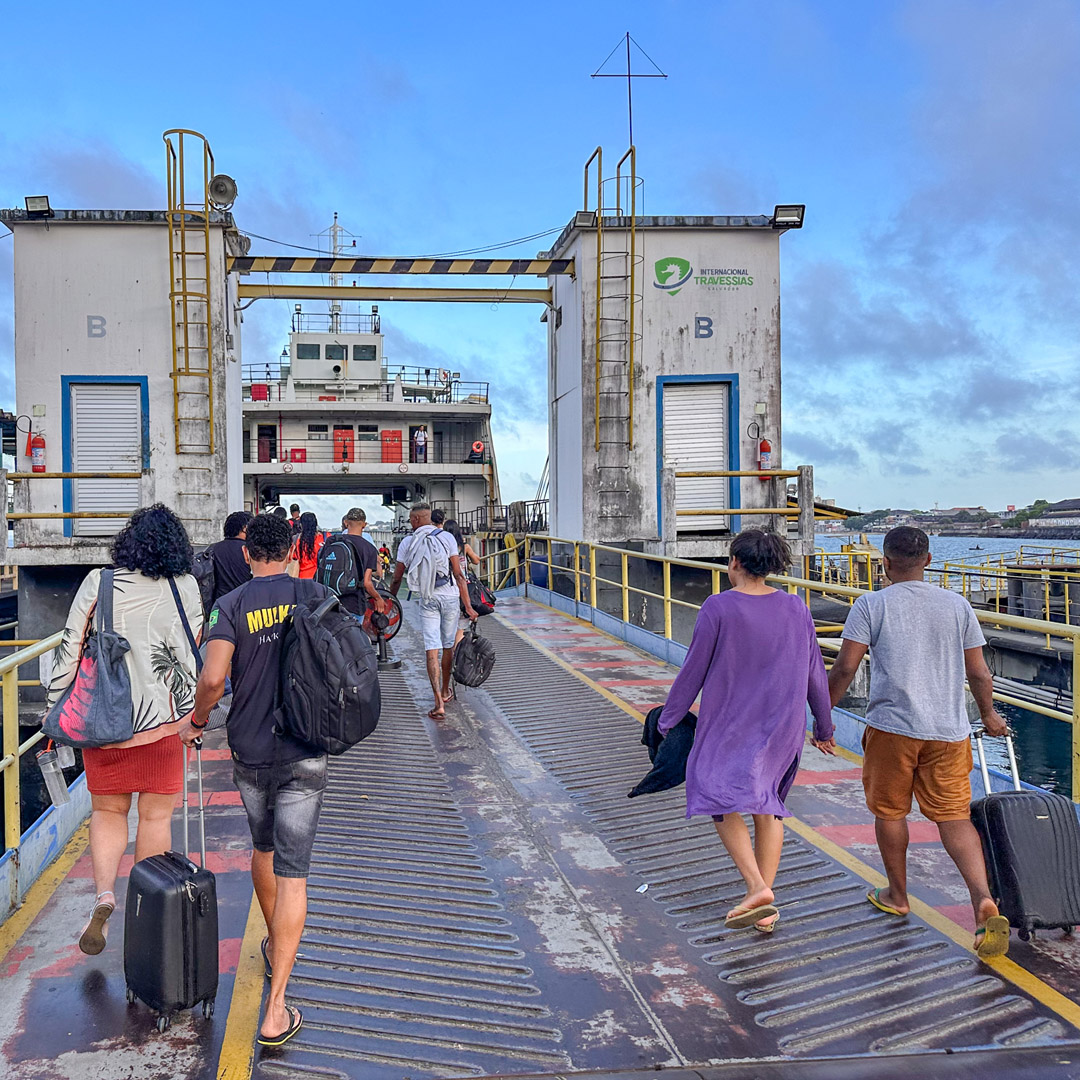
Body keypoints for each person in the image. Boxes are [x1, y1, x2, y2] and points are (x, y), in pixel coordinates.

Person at [180, 513, 329, 1048]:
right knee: (295, 871)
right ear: (291, 550)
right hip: (306, 746)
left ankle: (272, 944)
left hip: (250, 748)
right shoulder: (314, 595)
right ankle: (276, 1006)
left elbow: (214, 677)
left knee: (262, 850)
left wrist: (196, 724)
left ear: (247, 554)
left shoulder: (231, 604)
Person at [828, 526, 1011, 959]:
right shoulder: (956, 604)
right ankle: (983, 901)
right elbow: (980, 673)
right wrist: (988, 714)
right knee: (953, 816)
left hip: (893, 728)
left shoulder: (871, 604)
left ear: (885, 563)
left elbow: (844, 670)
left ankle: (897, 894)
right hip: (949, 731)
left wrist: (822, 718)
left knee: (890, 811)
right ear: (928, 560)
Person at [656, 530, 835, 934]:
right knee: (767, 804)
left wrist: (669, 720)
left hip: (732, 722)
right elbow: (815, 673)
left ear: (734, 562)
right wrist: (823, 726)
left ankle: (756, 886)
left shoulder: (718, 606)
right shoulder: (795, 607)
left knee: (713, 791)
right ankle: (765, 907)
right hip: (783, 725)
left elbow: (693, 670)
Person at [46, 504, 203, 955]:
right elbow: (190, 653)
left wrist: (57, 709)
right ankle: (146, 910)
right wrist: (194, 717)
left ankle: (104, 897)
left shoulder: (101, 582)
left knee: (108, 813)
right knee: (155, 817)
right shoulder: (185, 585)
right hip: (163, 726)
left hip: (105, 722)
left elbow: (70, 646)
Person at [390, 503, 477, 718]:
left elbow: (397, 577)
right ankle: (446, 690)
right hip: (449, 596)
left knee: (432, 648)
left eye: (411, 519)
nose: (410, 523)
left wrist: (391, 600)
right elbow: (458, 574)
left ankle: (438, 701)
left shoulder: (408, 542)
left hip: (427, 597)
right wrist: (468, 606)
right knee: (448, 645)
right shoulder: (447, 538)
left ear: (418, 519)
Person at [336, 508, 386, 622]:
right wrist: (378, 598)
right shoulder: (369, 548)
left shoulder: (332, 541)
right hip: (354, 603)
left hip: (331, 602)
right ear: (364, 525)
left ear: (346, 522)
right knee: (353, 638)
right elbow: (366, 583)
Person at [209, 510, 254, 606]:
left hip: (220, 605)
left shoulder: (213, 549)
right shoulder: (251, 550)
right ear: (245, 528)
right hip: (245, 605)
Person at [290, 512, 324, 579]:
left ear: (301, 525)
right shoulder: (325, 537)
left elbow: (294, 561)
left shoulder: (297, 540)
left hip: (302, 580)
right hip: (320, 580)